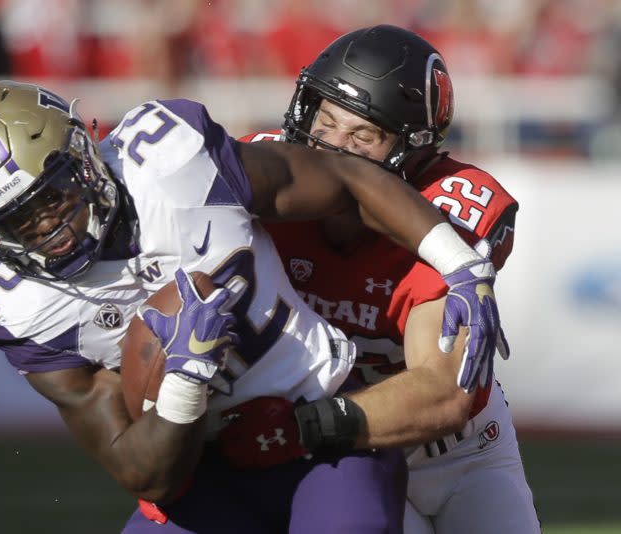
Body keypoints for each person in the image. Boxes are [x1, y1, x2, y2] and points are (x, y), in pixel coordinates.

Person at [0, 80, 502, 533]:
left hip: (325, 428)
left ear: (82, 159)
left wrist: (461, 264)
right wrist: (186, 380)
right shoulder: (22, 308)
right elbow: (142, 471)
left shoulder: (170, 159)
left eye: (52, 198)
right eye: (16, 222)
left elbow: (345, 178)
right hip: (201, 465)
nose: (47, 230)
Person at [225, 25, 541, 533]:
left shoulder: (451, 212)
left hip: (457, 450)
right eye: (324, 121)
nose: (330, 148)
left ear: (413, 151)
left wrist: (301, 427)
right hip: (348, 454)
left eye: (362, 134)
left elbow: (442, 395)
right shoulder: (260, 181)